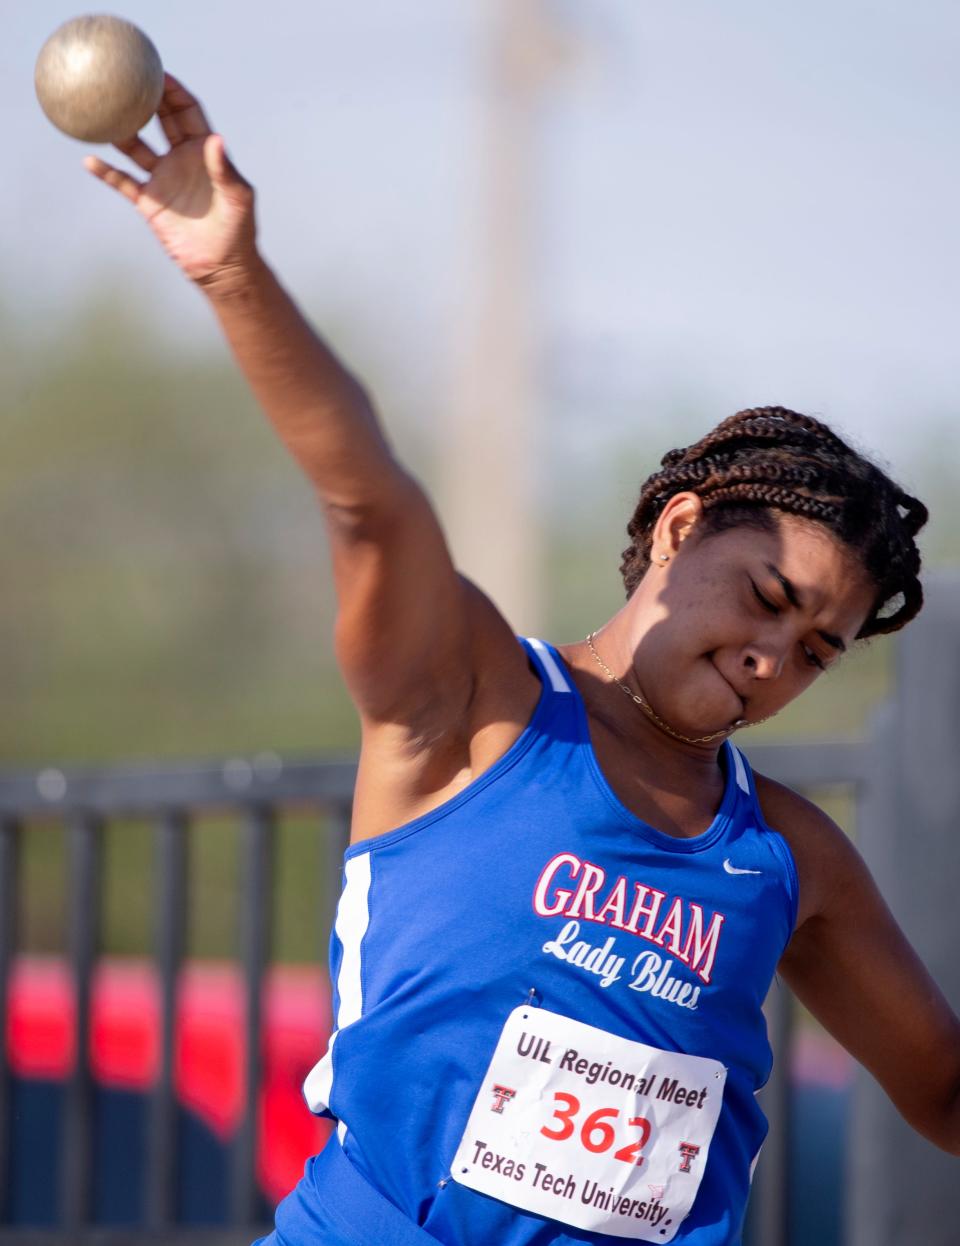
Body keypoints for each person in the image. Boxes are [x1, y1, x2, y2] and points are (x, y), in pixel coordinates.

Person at [86, 77, 960, 1246]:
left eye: (815, 650)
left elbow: (945, 1093)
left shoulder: (788, 855)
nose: (769, 658)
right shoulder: (473, 705)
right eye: (769, 599)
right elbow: (370, 503)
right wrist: (235, 275)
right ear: (681, 526)